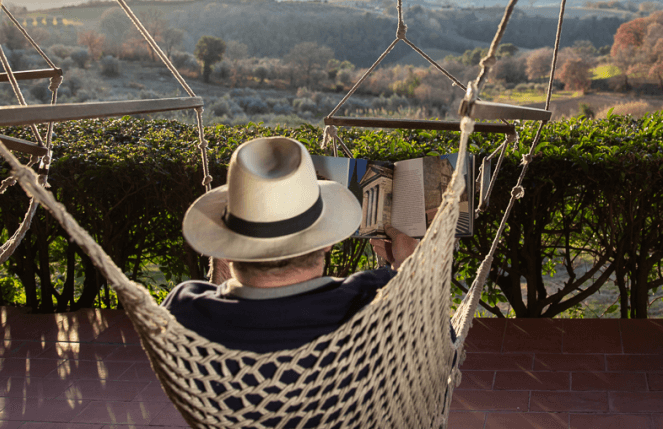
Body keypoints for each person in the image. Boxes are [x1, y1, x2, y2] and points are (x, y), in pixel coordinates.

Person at [163, 135, 455, 355]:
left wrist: (223, 280)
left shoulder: (185, 312)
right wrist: (411, 266)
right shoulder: (369, 302)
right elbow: (442, 348)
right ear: (326, 242)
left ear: (227, 249)